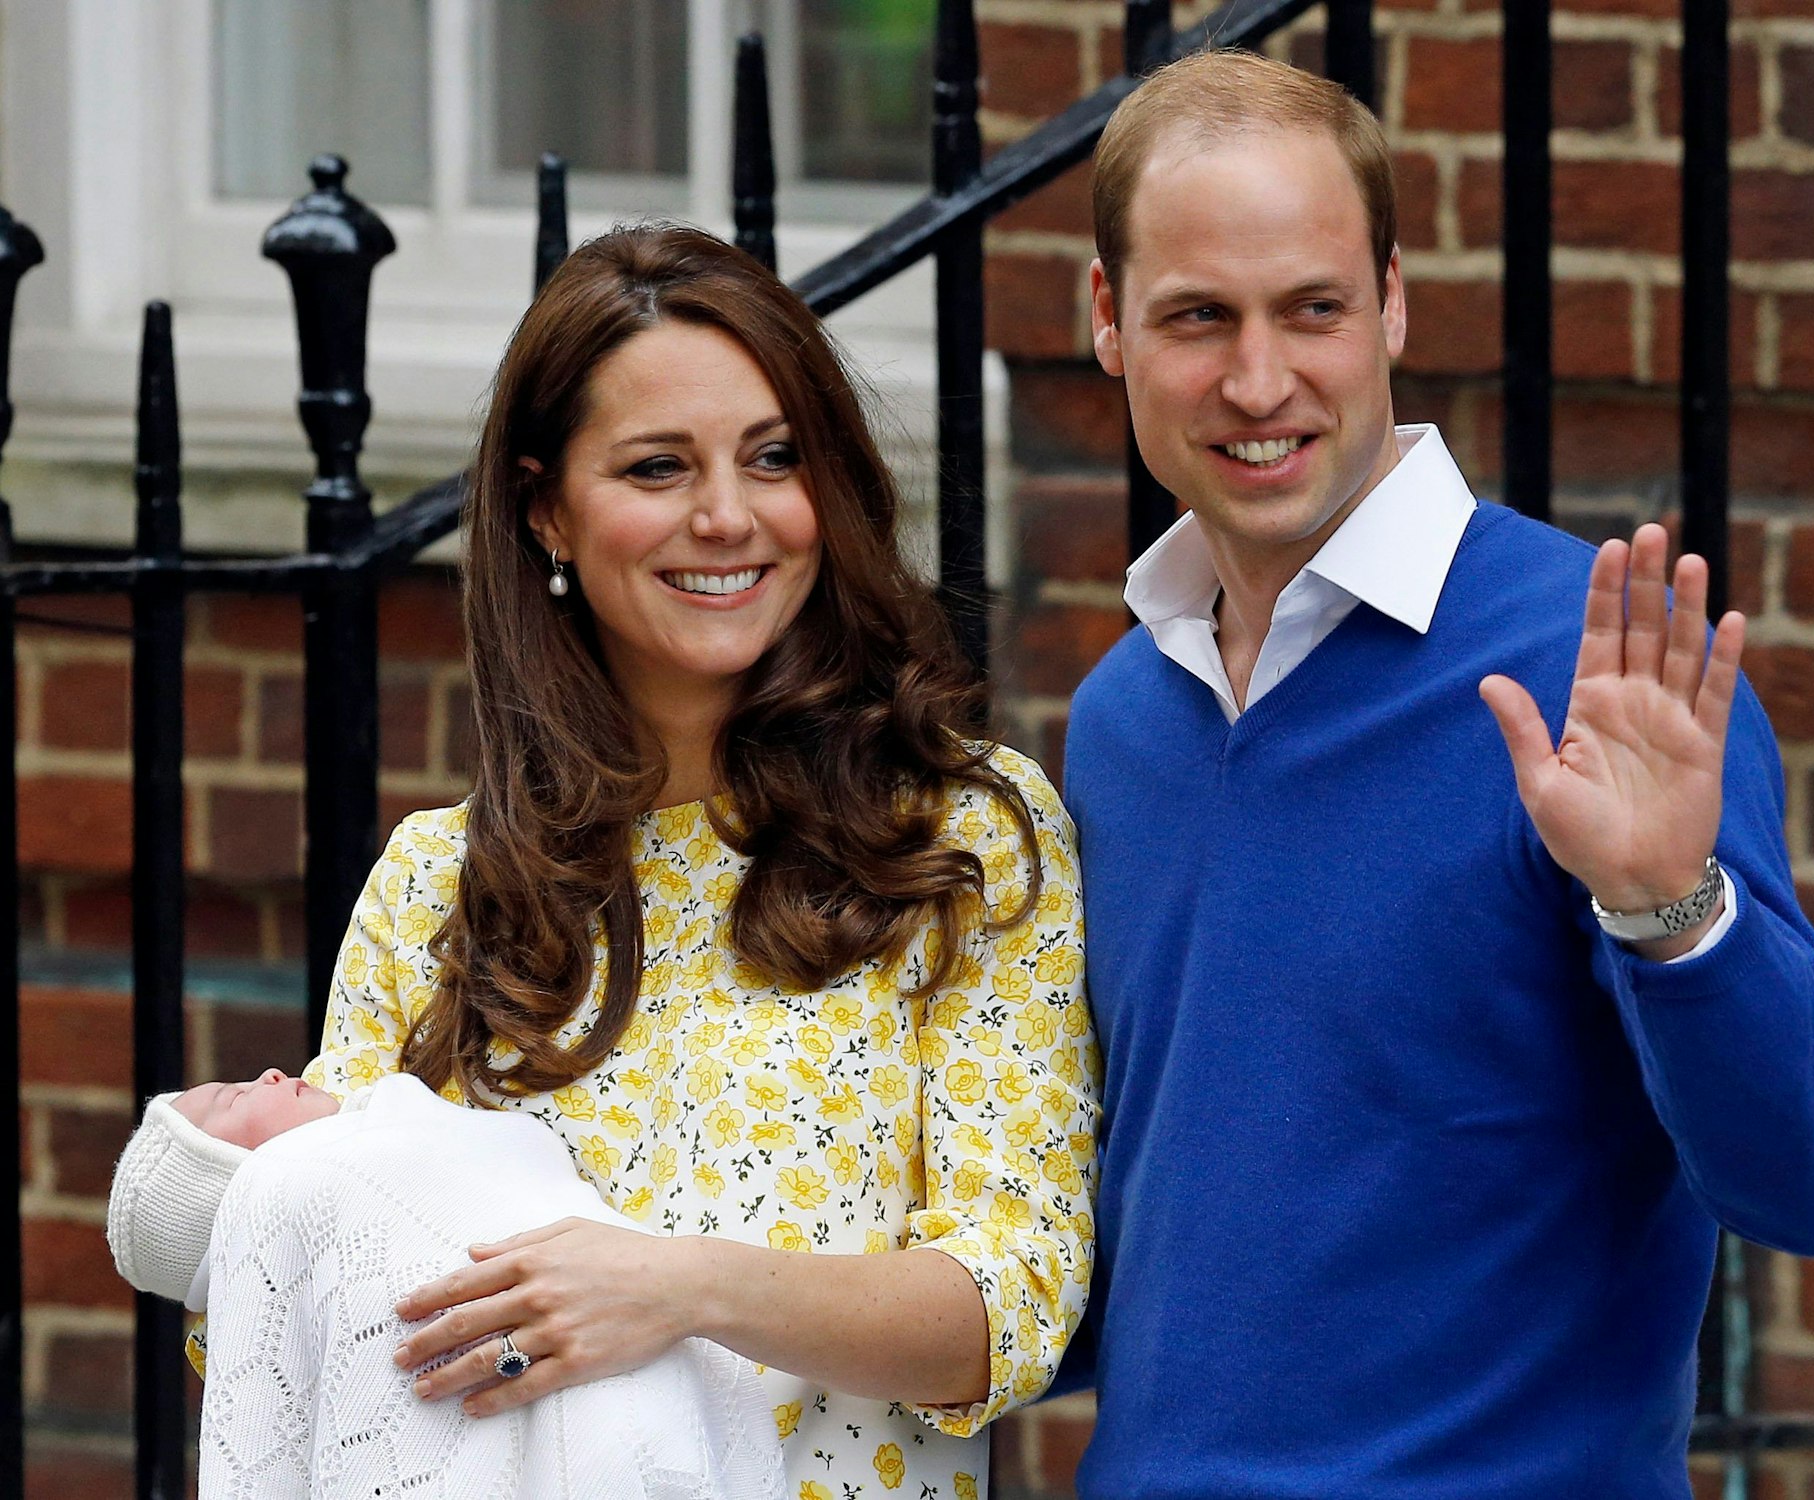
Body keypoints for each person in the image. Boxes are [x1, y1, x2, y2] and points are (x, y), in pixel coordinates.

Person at [119, 224, 1098, 1500]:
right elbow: (303, 1292)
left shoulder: (959, 840)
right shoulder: (437, 886)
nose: (726, 516)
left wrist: (675, 1289)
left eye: (772, 458)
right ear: (547, 513)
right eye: (656, 467)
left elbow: (1011, 1305)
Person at [1054, 49, 1814, 1499]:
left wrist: (1670, 907)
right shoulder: (1122, 719)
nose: (1262, 381)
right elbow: (1148, 1249)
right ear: (1111, 321)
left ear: (1389, 299)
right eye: (1200, 317)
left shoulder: (1601, 676)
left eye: (1313, 308)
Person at [107, 1069, 786, 1500]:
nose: (272, 1073)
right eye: (234, 1099)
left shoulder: (405, 1133)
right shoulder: (307, 1190)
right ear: (236, 1194)